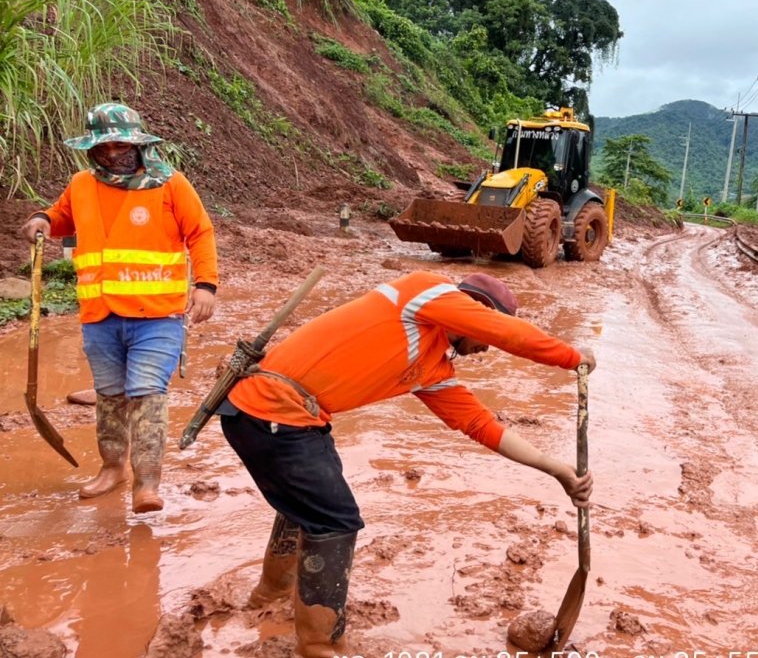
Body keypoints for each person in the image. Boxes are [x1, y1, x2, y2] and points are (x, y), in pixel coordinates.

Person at [219, 270, 595, 657]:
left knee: (307, 507)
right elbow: (508, 334)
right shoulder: (423, 292)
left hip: (283, 418)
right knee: (335, 519)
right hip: (272, 412)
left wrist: (557, 470)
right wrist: (572, 357)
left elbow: (481, 425)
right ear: (474, 311)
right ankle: (318, 646)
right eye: (486, 336)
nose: (488, 348)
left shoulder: (431, 367)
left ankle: (271, 593)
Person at [20, 102, 218, 513]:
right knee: (110, 395)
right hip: (100, 316)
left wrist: (206, 286)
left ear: (138, 144)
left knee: (147, 394)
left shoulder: (170, 184)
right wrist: (42, 219)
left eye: (120, 146)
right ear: (91, 150)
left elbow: (200, 232)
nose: (112, 154)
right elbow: (62, 217)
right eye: (103, 148)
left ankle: (147, 483)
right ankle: (113, 468)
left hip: (156, 316)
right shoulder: (81, 184)